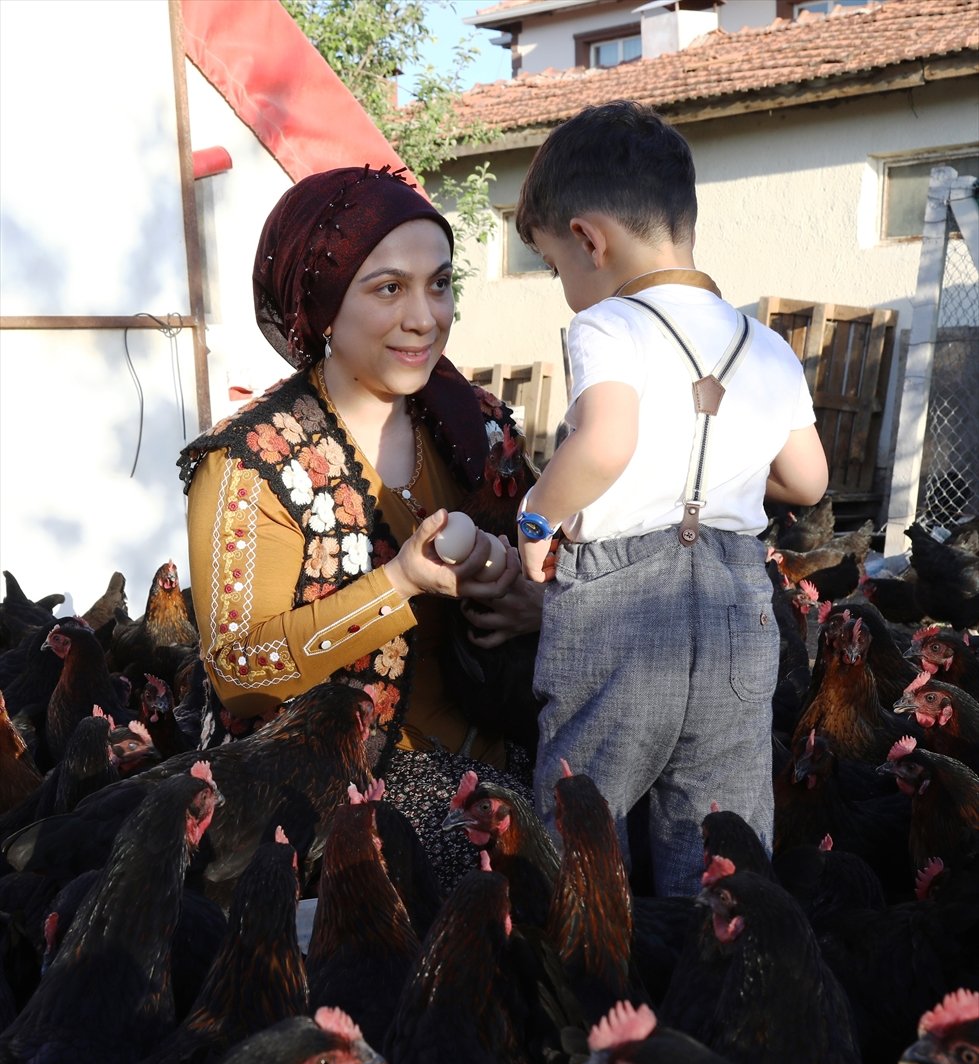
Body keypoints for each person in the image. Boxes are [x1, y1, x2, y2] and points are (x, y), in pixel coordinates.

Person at [177, 165, 541, 887]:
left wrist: (531, 603)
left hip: (494, 760)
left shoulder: (478, 425)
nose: (424, 317)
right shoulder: (251, 464)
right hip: (327, 794)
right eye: (388, 289)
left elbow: (550, 566)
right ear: (320, 306)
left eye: (440, 285)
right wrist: (399, 583)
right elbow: (240, 675)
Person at [513, 101, 829, 898]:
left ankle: (593, 999)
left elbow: (604, 443)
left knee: (583, 823)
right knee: (718, 836)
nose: (565, 289)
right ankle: (720, 993)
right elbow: (807, 481)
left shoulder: (607, 325)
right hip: (736, 609)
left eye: (555, 269)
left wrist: (536, 515)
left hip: (620, 609)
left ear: (588, 238)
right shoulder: (765, 343)